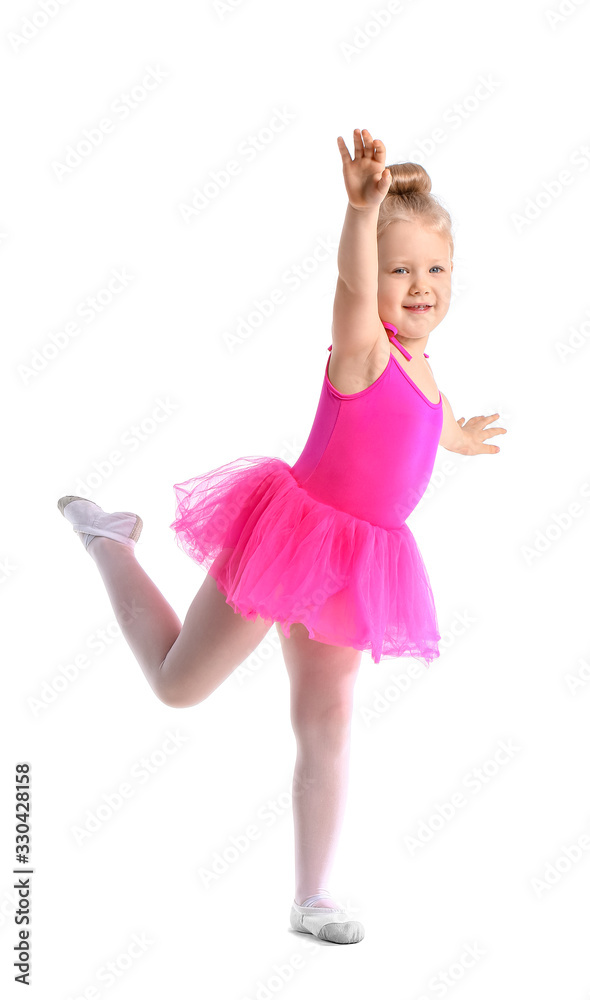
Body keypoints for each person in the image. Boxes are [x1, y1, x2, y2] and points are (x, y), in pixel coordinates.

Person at [57, 127, 506, 945]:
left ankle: (314, 897)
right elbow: (351, 283)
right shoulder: (363, 349)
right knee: (178, 685)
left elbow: (430, 418)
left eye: (436, 269)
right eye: (400, 270)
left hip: (358, 564)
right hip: (291, 538)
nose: (420, 286)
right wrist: (360, 212)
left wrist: (461, 437)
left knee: (327, 722)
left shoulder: (423, 366)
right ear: (375, 278)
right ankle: (109, 541)